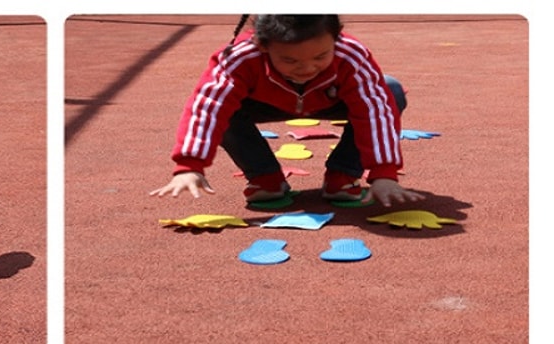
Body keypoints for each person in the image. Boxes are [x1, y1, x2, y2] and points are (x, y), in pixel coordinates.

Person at [149, 14, 424, 208]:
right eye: (289, 60)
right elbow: (207, 107)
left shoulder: (350, 54)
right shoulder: (240, 57)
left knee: (390, 90)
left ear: (336, 38)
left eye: (320, 57)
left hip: (330, 101)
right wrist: (189, 165)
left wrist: (384, 172)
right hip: (261, 104)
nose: (306, 68)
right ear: (262, 45)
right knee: (223, 105)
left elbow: (375, 109)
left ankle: (342, 176)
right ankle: (265, 178)